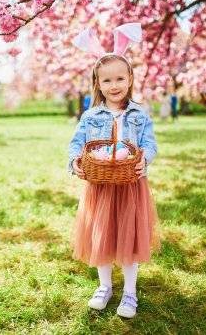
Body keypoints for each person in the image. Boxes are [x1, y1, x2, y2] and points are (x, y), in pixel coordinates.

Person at [68, 23, 161, 319]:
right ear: (98, 83)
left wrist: (145, 161)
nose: (114, 85)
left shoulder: (139, 114)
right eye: (106, 80)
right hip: (100, 186)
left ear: (130, 78)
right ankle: (104, 286)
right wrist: (75, 163)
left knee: (129, 239)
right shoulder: (90, 115)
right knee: (102, 237)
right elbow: (77, 144)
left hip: (130, 185)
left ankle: (130, 291)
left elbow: (150, 144)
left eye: (120, 78)